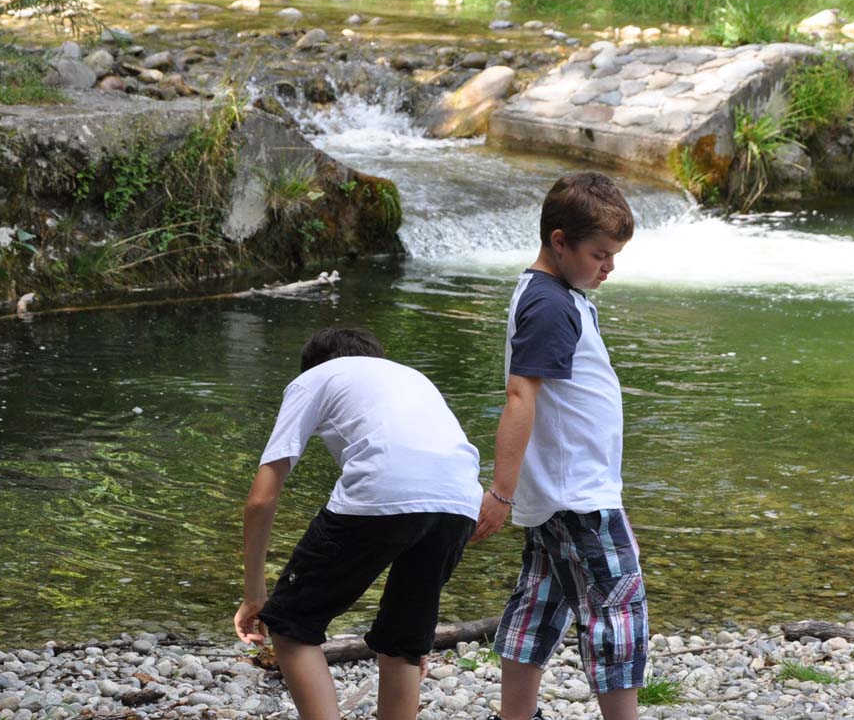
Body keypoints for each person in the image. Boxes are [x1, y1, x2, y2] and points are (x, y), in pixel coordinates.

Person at [234, 327, 483, 720]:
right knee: (403, 642)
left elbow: (261, 498)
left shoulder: (314, 378)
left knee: (290, 621)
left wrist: (254, 595)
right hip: (461, 501)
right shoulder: (411, 378)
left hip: (385, 486)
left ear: (314, 365)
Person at [471, 172, 648, 720]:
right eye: (600, 254)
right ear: (559, 241)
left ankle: (515, 715)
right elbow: (520, 396)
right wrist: (501, 493)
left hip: (559, 491)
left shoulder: (556, 294)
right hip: (580, 495)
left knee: (540, 604)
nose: (609, 267)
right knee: (618, 612)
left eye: (614, 255)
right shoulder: (549, 305)